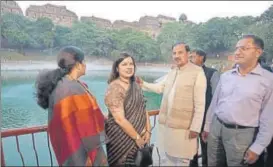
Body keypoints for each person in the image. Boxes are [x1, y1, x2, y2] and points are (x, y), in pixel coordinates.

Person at [202, 34, 273, 166]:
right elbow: (215, 104)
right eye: (236, 48)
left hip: (242, 135)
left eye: (244, 48)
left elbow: (268, 119)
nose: (237, 52)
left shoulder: (268, 80)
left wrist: (258, 147)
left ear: (258, 52)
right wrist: (207, 126)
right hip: (217, 128)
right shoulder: (226, 76)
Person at [35, 46, 107, 166]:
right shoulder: (72, 88)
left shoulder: (65, 84)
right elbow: (86, 124)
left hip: (69, 146)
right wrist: (92, 155)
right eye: (84, 61)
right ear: (78, 64)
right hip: (81, 150)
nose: (85, 65)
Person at [138, 42, 207, 166]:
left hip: (185, 128)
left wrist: (196, 128)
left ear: (188, 54)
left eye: (180, 52)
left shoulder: (197, 73)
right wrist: (142, 83)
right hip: (167, 126)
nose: (176, 56)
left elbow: (200, 104)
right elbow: (160, 88)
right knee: (168, 158)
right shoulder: (173, 72)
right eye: (174, 53)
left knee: (183, 160)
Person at [104, 52, 151, 166]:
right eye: (124, 64)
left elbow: (143, 109)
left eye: (131, 64)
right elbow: (119, 119)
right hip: (120, 139)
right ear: (117, 68)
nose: (129, 67)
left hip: (141, 135)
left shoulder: (135, 85)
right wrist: (136, 137)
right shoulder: (114, 88)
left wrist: (148, 130)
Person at [190, 49, 220, 167]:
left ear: (201, 57)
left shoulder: (212, 73)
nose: (190, 59)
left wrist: (210, 121)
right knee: (191, 148)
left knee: (206, 147)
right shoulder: (189, 73)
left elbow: (217, 98)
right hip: (191, 117)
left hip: (206, 117)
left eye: (193, 56)